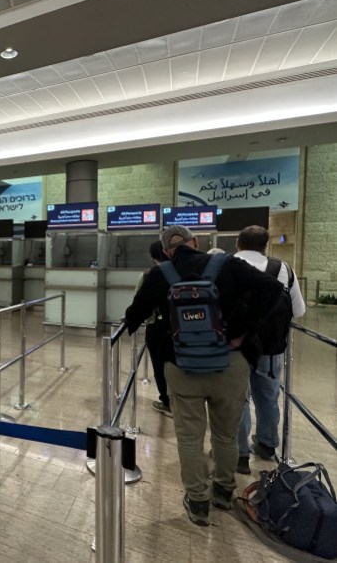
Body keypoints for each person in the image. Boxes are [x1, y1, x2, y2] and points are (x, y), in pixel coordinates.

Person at [124, 225, 282, 526]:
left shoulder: (162, 274)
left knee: (189, 437)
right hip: (230, 363)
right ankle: (222, 492)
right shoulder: (229, 264)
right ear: (195, 242)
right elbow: (273, 290)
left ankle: (197, 502)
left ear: (168, 250)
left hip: (182, 366)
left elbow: (135, 314)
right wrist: (238, 333)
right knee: (225, 433)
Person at [235, 225, 306, 475]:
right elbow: (298, 311)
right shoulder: (283, 269)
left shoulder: (226, 265)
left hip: (236, 347)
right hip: (271, 347)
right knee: (267, 396)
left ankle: (239, 454)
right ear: (266, 245)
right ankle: (266, 445)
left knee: (237, 399)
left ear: (237, 243)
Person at [137, 241, 172, 417]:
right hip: (181, 326)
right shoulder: (184, 271)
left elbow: (139, 302)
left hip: (157, 327)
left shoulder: (149, 275)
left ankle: (167, 401)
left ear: (153, 257)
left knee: (159, 366)